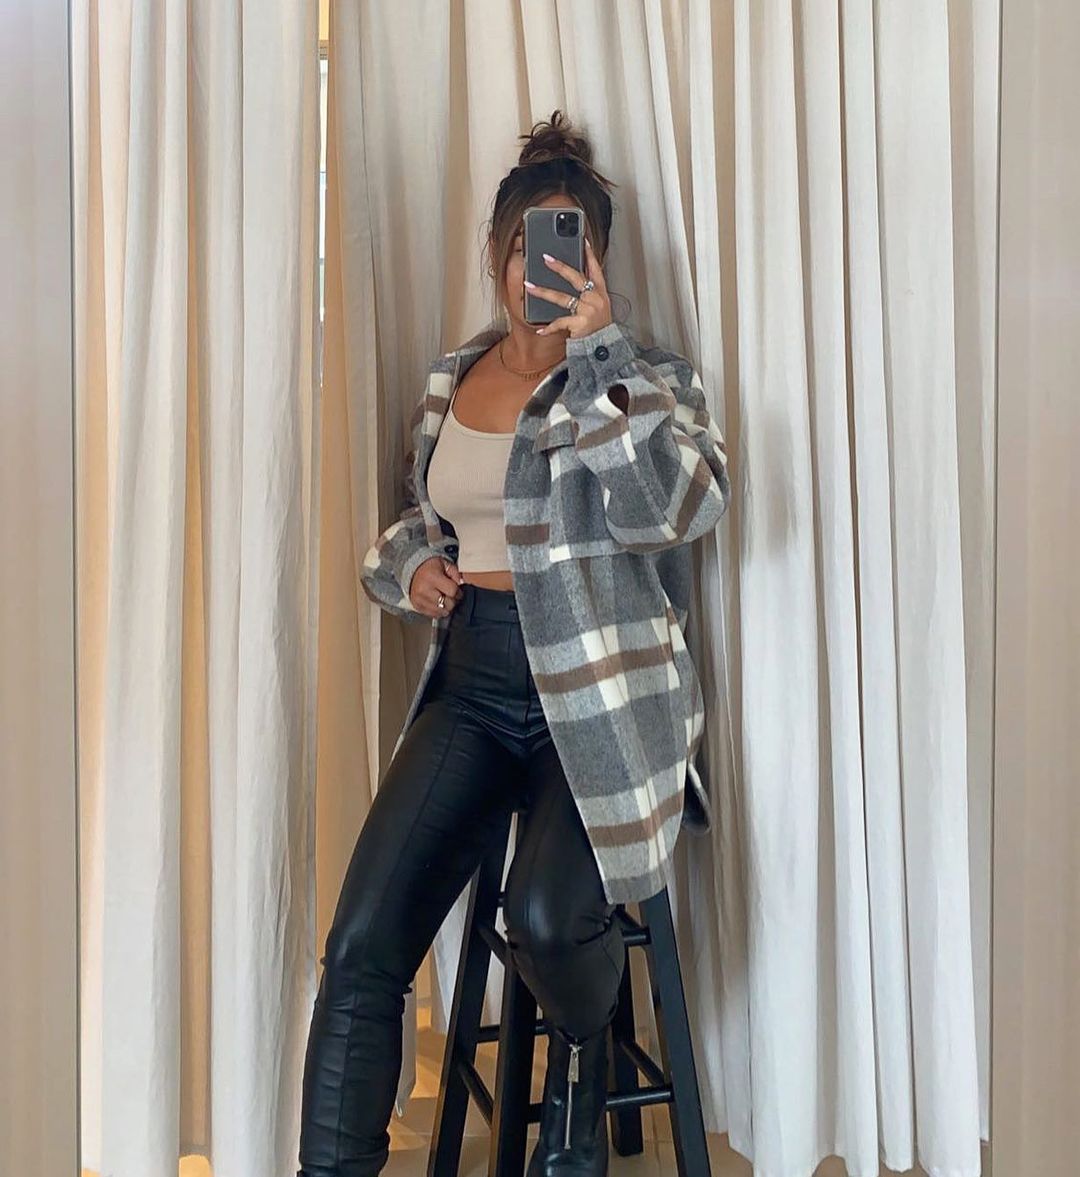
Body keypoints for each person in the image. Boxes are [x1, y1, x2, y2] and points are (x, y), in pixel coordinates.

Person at [296, 109, 730, 1177]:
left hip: (606, 694)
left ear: (599, 258)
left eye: (571, 242)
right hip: (476, 681)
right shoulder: (452, 380)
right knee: (361, 942)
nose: (545, 264)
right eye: (530, 242)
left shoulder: (646, 378)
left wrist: (599, 358)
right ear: (499, 250)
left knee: (543, 914)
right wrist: (411, 567)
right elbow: (424, 520)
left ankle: (584, 1054)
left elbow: (675, 511)